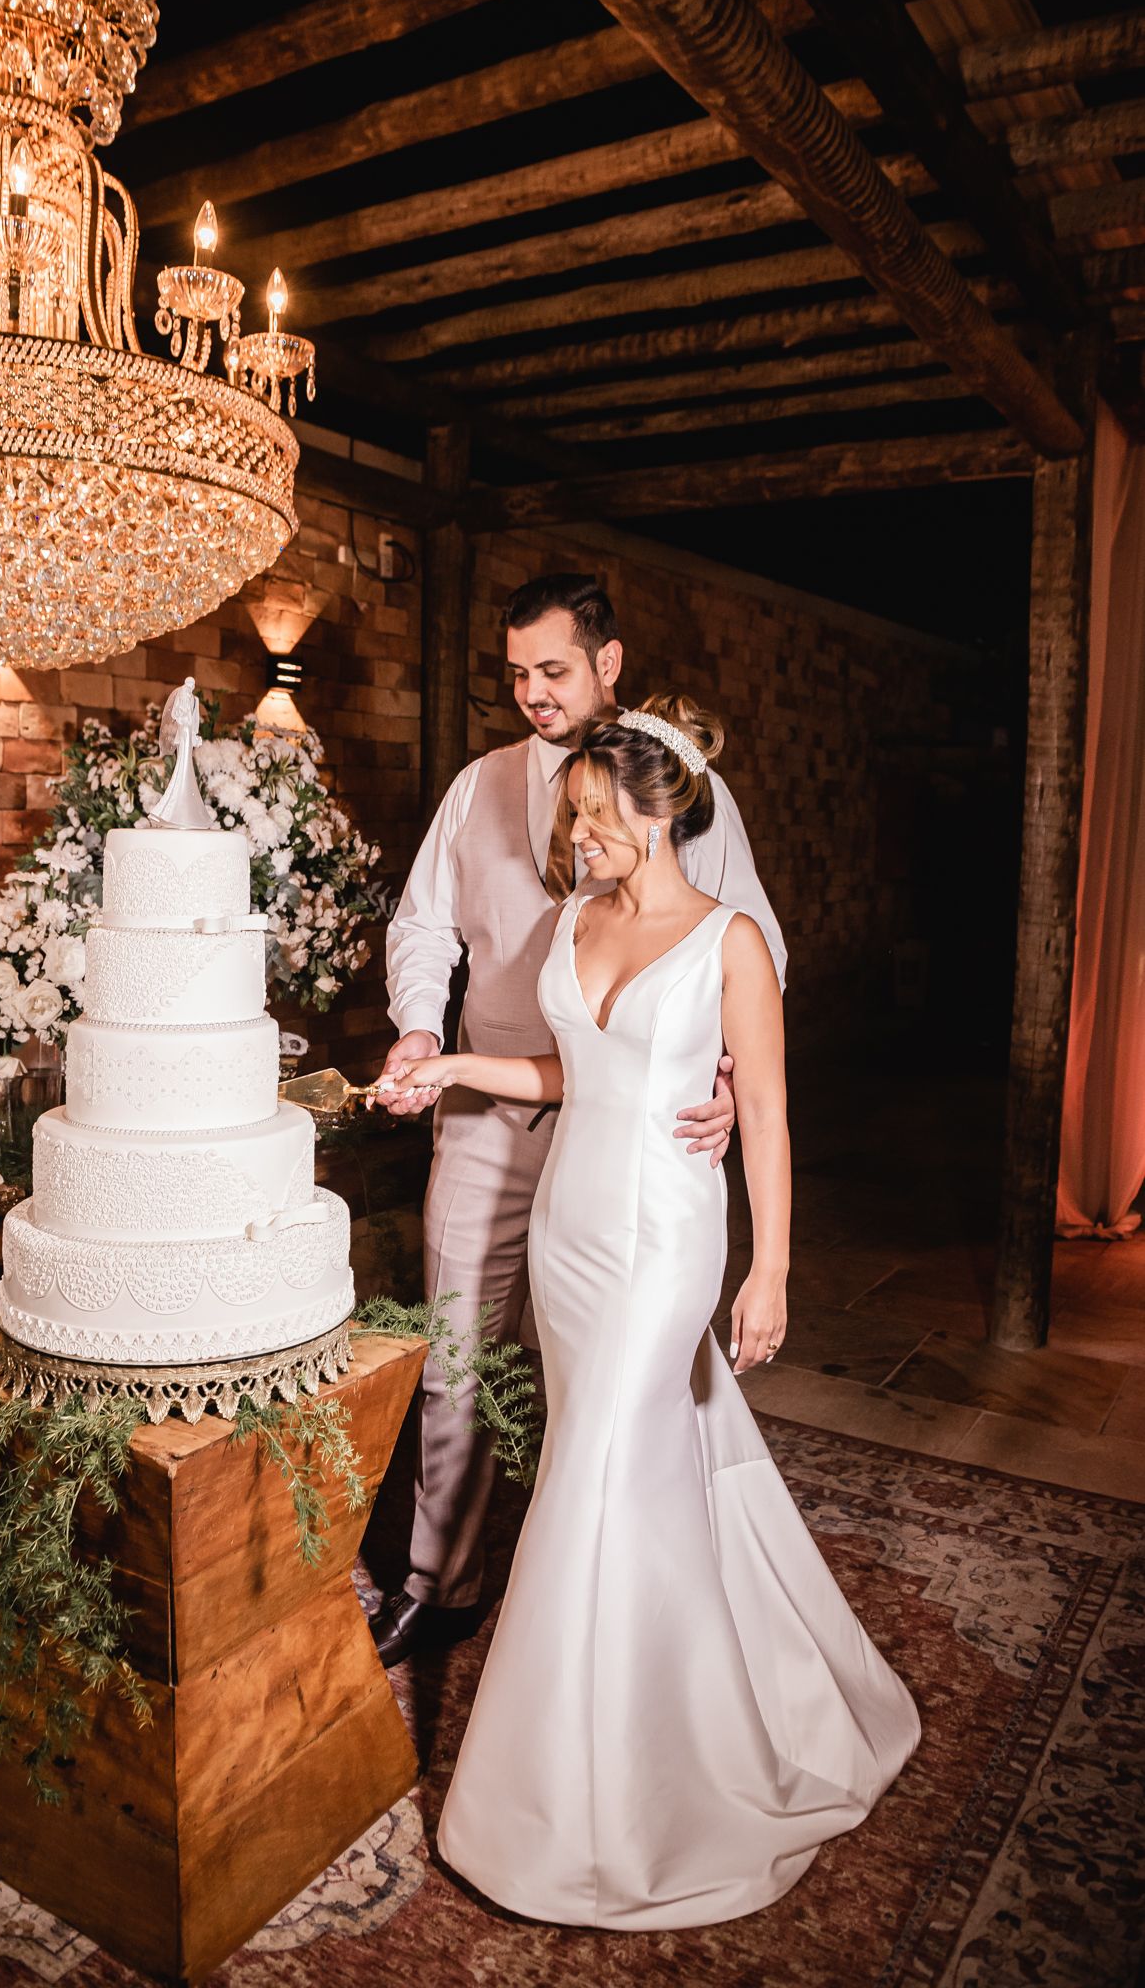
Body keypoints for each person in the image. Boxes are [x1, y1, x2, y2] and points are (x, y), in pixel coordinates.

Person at [388, 698, 920, 1928]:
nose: (577, 838)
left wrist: (770, 1267)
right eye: (571, 816)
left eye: (592, 816)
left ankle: (585, 1806)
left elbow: (770, 1118)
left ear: (657, 805)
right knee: (615, 1470)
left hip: (669, 1239)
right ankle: (658, 1704)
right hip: (574, 1230)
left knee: (591, 1480)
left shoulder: (729, 941)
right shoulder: (576, 920)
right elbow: (580, 1071)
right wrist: (453, 1067)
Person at [371, 574, 786, 1668]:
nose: (531, 694)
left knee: (604, 1385)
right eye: (514, 674)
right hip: (488, 1110)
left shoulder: (685, 792)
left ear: (607, 663)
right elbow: (422, 924)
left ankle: (601, 1603)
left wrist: (729, 1075)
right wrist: (422, 1031)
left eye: (551, 670)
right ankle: (436, 1580)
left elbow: (752, 950)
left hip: (638, 1143)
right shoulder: (478, 786)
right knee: (455, 1353)